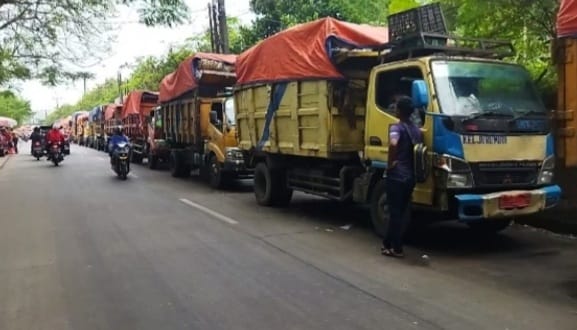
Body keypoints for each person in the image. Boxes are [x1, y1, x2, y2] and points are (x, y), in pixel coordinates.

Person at [382, 96, 423, 258]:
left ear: (399, 111)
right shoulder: (416, 130)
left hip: (397, 176)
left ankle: (396, 248)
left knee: (395, 212)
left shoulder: (396, 128)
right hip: (410, 177)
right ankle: (387, 244)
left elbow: (393, 143)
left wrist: (391, 163)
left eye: (396, 107)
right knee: (400, 212)